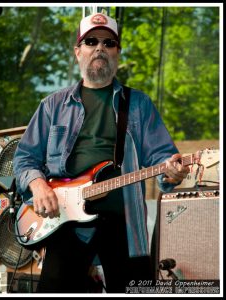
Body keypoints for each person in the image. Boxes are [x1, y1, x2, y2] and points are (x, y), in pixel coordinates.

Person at [13, 12, 189, 293]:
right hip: (65, 223)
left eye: (109, 43)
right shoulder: (52, 105)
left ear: (117, 52)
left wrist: (172, 170)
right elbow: (23, 159)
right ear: (77, 52)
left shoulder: (139, 104)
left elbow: (163, 158)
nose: (100, 48)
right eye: (91, 41)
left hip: (125, 223)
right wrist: (37, 183)